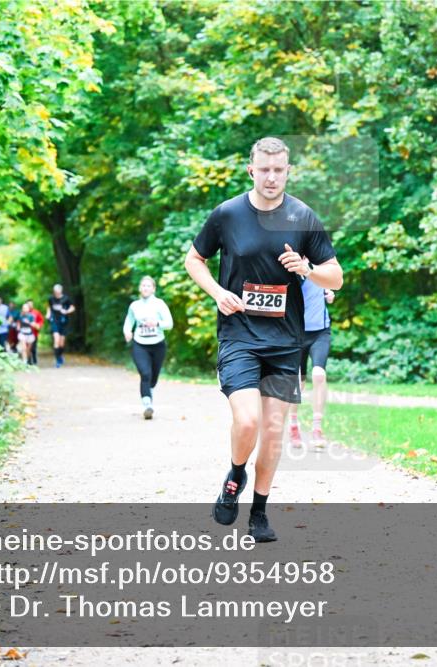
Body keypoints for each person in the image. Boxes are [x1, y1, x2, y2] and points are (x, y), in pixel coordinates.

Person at [184, 137, 342, 543]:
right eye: (264, 169)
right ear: (251, 170)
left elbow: (335, 277)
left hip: (285, 341)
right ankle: (236, 472)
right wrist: (218, 293)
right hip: (239, 334)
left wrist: (307, 269)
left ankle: (259, 512)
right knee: (248, 420)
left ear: (288, 171)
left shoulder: (303, 217)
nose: (271, 177)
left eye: (279, 170)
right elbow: (194, 260)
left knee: (273, 430)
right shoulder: (228, 214)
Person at [288, 277, 335, 446]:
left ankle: (317, 429)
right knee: (297, 382)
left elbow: (330, 283)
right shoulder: (291, 269)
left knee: (319, 374)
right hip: (297, 333)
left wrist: (328, 292)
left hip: (320, 332)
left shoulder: (318, 267)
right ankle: (293, 425)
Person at [123, 276, 174, 420]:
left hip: (158, 345)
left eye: (148, 286)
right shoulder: (134, 305)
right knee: (145, 374)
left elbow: (169, 323)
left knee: (153, 378)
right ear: (140, 288)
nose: (145, 288)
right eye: (143, 286)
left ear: (153, 289)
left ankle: (148, 392)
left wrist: (156, 324)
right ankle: (147, 405)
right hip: (140, 344)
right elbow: (129, 321)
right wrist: (127, 331)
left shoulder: (160, 304)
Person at [46, 284, 76, 368]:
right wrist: (48, 314)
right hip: (54, 321)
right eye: (55, 292)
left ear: (61, 291)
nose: (56, 294)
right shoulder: (51, 299)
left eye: (58, 292)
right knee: (56, 340)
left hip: (64, 321)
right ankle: (57, 360)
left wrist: (66, 311)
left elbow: (73, 308)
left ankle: (60, 354)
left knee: (61, 343)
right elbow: (49, 307)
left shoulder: (66, 299)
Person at [25, 299, 45, 366]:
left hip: (34, 333)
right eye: (29, 304)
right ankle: (29, 361)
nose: (30, 305)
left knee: (33, 348)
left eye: (31, 304)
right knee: (27, 348)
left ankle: (35, 361)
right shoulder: (23, 313)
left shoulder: (36, 312)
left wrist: (38, 325)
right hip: (25, 333)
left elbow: (41, 320)